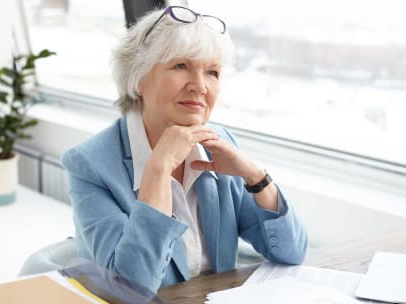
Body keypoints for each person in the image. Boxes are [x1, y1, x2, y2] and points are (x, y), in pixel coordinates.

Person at [61, 5, 307, 293]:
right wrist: (157, 170)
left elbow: (291, 252)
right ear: (138, 77)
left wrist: (256, 176)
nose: (200, 86)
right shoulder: (89, 164)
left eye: (212, 72)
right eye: (181, 66)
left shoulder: (220, 144)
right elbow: (130, 290)